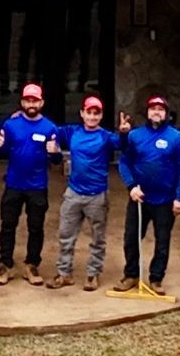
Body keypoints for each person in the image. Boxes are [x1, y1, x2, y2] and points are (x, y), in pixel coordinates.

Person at [113, 95, 180, 294]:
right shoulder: (135, 136)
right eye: (153, 108)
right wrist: (131, 186)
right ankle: (131, 275)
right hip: (139, 198)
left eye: (161, 109)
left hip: (165, 200)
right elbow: (124, 163)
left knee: (162, 241)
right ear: (147, 112)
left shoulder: (177, 138)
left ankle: (156, 279)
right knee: (131, 238)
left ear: (166, 113)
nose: (156, 112)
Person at [0, 82, 59, 286]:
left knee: (36, 227)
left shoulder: (49, 127)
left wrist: (54, 152)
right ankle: (6, 265)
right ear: (22, 102)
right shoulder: (10, 125)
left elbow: (55, 162)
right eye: (27, 100)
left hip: (37, 186)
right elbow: (3, 153)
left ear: (41, 102)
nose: (31, 104)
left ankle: (32, 265)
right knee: (8, 226)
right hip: (13, 184)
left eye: (35, 100)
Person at [50, 94, 116, 291]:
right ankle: (64, 273)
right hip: (74, 192)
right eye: (89, 112)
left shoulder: (105, 136)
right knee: (65, 234)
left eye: (97, 113)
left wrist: (123, 133)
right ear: (82, 113)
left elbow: (123, 144)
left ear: (101, 116)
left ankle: (92, 274)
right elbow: (49, 130)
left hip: (97, 195)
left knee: (97, 237)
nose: (93, 117)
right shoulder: (72, 132)